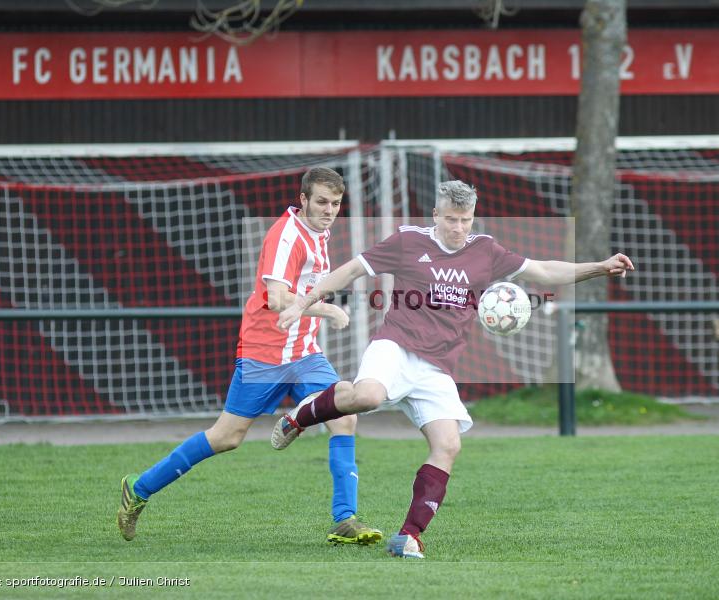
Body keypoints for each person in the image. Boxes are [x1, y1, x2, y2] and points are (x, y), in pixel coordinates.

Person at [272, 180, 634, 559]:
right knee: (367, 396)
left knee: (448, 445)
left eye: (465, 220)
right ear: (435, 216)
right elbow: (349, 272)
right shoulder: (408, 242)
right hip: (395, 346)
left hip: (436, 367)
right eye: (450, 219)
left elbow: (542, 271)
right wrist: (304, 302)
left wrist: (599, 267)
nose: (458, 228)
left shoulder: (486, 251)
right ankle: (301, 416)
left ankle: (408, 536)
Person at [117, 167, 382, 545]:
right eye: (321, 202)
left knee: (344, 417)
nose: (329, 210)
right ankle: (138, 488)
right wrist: (328, 310)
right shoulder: (286, 235)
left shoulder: (319, 232)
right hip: (266, 353)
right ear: (303, 199)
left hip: (304, 352)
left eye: (336, 203)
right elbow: (275, 299)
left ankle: (345, 519)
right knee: (226, 437)